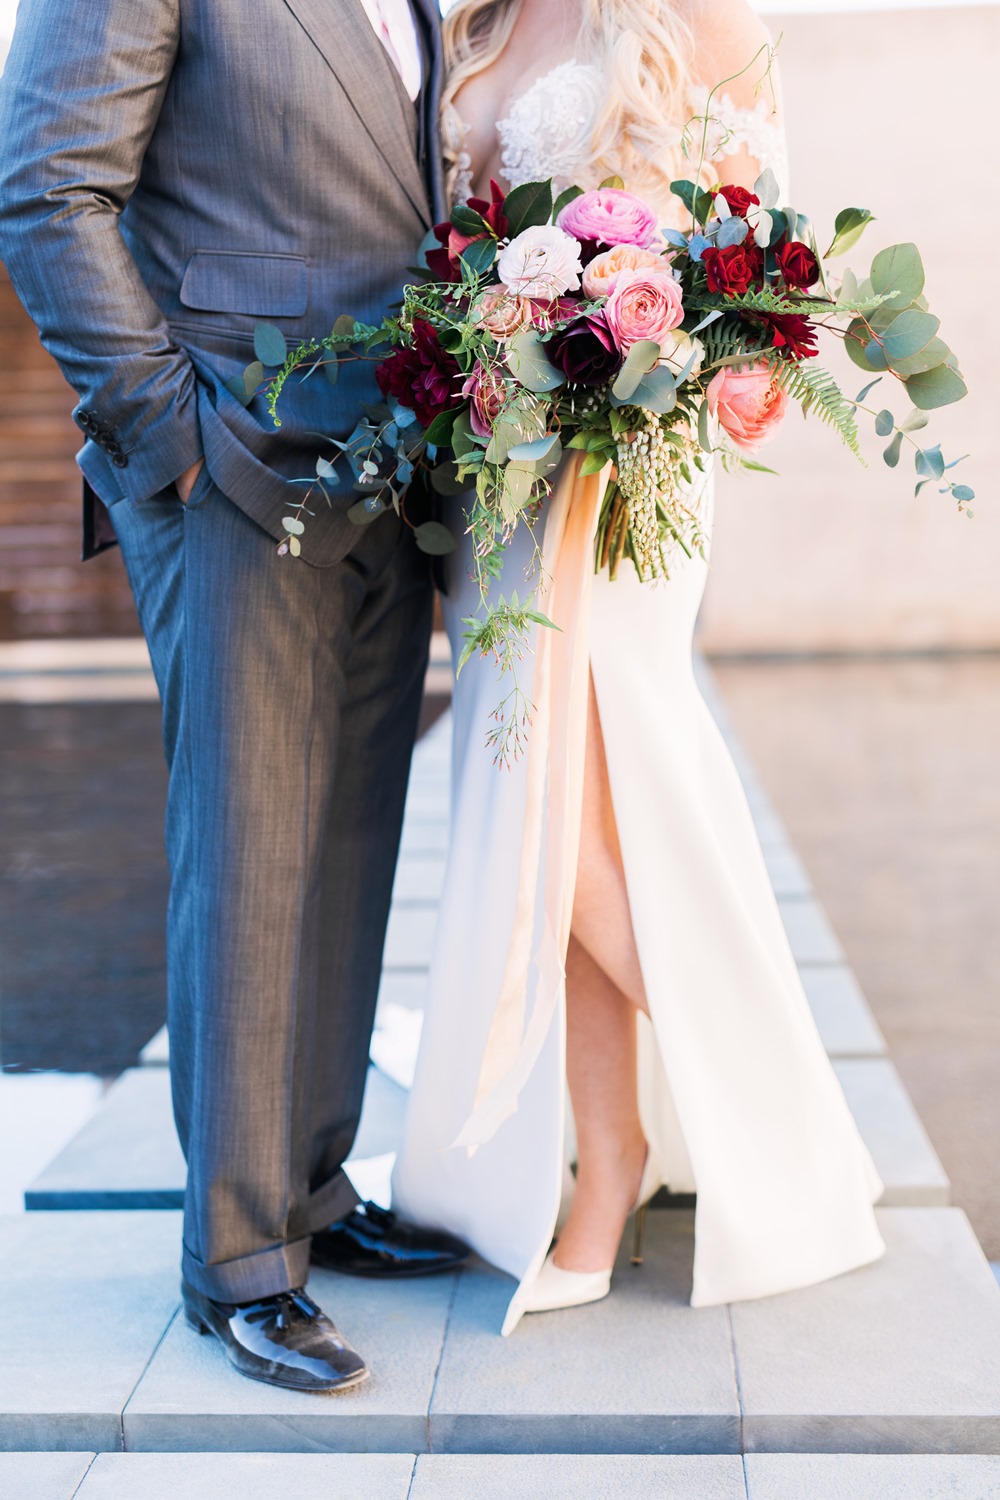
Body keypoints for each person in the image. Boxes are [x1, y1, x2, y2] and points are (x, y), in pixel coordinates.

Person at [392, 0, 886, 1335]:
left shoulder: (695, 9)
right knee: (544, 807)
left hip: (633, 465)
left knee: (593, 801)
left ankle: (755, 1114)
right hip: (500, 466)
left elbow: (764, 252)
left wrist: (641, 344)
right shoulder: (477, 23)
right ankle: (607, 1155)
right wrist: (488, 354)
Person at [0, 0, 468, 1393]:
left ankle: (312, 1187)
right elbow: (46, 187)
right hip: (230, 464)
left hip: (394, 459)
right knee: (252, 853)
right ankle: (240, 1262)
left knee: (344, 846)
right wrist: (166, 427)